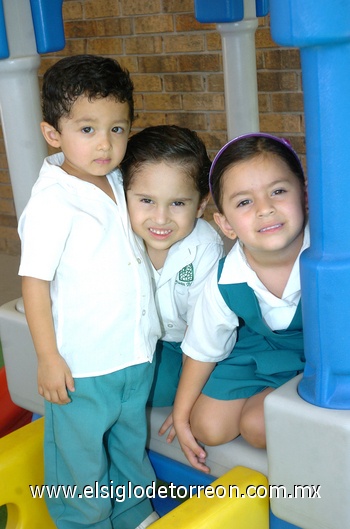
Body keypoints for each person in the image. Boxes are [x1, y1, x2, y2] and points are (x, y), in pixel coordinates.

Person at [18, 55, 161, 529]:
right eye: (87, 129)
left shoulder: (121, 181)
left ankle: (135, 512)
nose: (105, 144)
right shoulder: (53, 201)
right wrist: (47, 357)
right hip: (83, 366)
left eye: (117, 129)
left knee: (128, 442)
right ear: (52, 133)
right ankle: (85, 523)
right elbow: (34, 282)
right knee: (79, 463)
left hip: (133, 354)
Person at [173, 132, 308, 473]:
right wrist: (179, 414)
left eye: (278, 191)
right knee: (207, 427)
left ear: (305, 196)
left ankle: (273, 400)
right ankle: (269, 391)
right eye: (244, 202)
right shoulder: (224, 280)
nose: (265, 209)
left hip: (316, 356)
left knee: (258, 426)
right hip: (257, 350)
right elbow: (202, 349)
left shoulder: (327, 258)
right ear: (225, 224)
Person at [121, 125, 224, 417]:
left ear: (201, 204)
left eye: (177, 203)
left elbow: (202, 333)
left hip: (187, 346)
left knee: (158, 392)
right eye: (146, 200)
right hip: (140, 338)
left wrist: (184, 406)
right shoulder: (119, 237)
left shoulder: (205, 250)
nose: (161, 217)